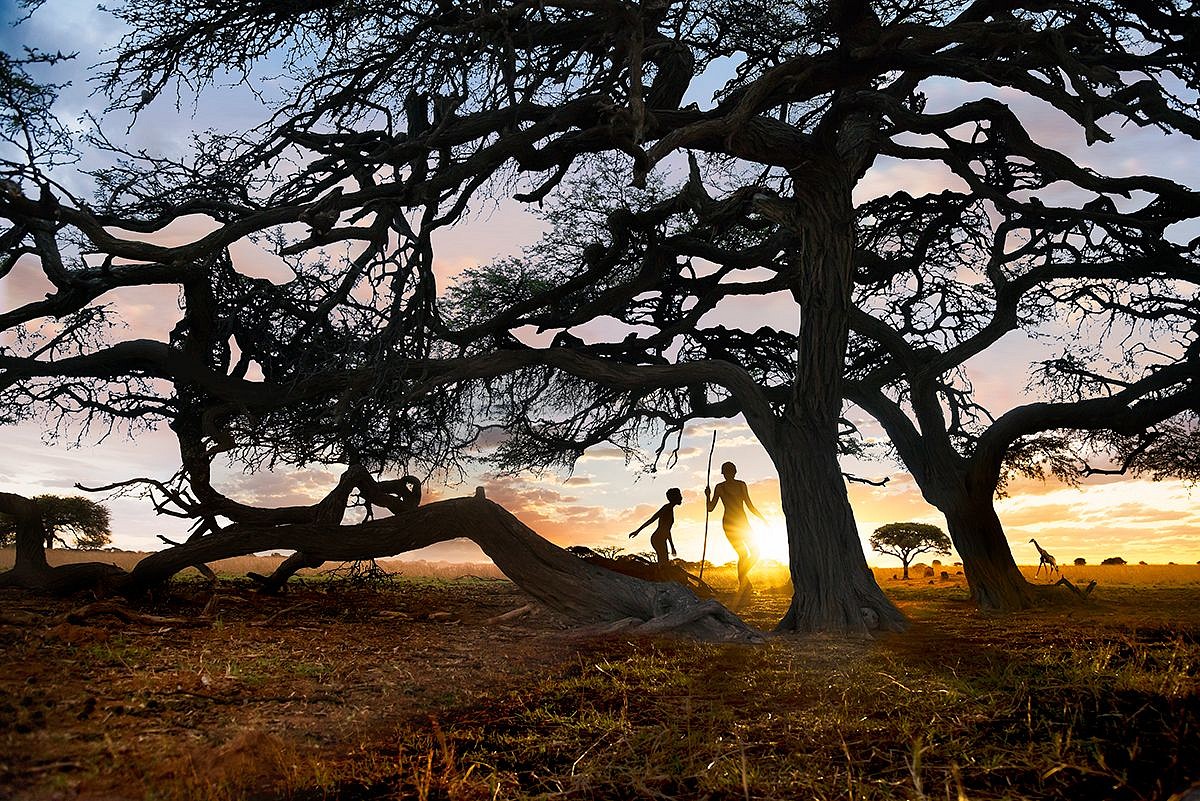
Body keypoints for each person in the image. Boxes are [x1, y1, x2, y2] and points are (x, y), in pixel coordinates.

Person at [705, 461, 765, 594]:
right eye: (726, 473)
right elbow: (710, 508)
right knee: (743, 554)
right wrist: (707, 495)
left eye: (730, 472)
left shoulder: (742, 485)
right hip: (729, 523)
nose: (728, 475)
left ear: (734, 472)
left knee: (755, 552)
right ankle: (743, 583)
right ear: (723, 474)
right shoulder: (720, 487)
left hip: (743, 523)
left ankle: (743, 579)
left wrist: (762, 518)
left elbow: (750, 505)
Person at [628, 488, 682, 567]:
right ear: (675, 497)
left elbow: (667, 530)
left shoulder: (669, 508)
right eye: (679, 495)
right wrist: (638, 531)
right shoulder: (666, 508)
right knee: (664, 563)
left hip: (661, 539)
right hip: (658, 539)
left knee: (664, 562)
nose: (681, 498)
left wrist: (672, 546)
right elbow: (652, 520)